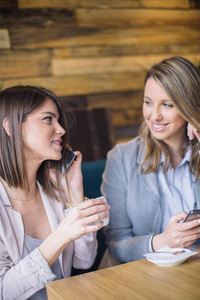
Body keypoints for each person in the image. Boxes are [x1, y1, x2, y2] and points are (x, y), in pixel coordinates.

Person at [0, 85, 110, 299]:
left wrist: (75, 193)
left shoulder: (54, 194)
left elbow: (84, 261)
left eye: (58, 120)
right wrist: (60, 236)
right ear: (11, 127)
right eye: (48, 119)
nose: (60, 129)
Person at [99, 56, 200, 268]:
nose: (154, 116)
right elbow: (116, 241)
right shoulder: (121, 158)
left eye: (167, 104)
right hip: (140, 275)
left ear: (189, 106)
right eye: (148, 102)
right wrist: (162, 242)